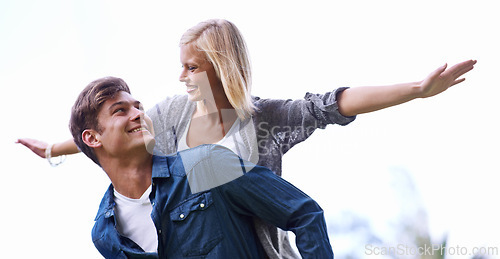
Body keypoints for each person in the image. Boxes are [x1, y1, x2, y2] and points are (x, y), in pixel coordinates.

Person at [17, 19, 477, 259]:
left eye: (192, 66)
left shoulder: (260, 123)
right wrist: (54, 150)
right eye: (182, 65)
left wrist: (417, 90)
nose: (180, 76)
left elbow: (335, 104)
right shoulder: (169, 117)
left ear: (220, 68)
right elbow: (104, 140)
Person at [71, 76, 333, 258]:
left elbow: (304, 213)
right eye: (120, 111)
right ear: (92, 138)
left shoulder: (205, 166)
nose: (138, 113)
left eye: (138, 107)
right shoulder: (105, 234)